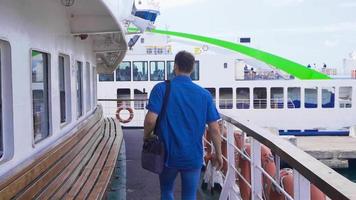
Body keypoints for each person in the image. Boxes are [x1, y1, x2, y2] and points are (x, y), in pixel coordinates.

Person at [143, 51, 223, 200]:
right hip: (192, 156)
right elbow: (214, 129)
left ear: (175, 66)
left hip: (167, 154)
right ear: (192, 69)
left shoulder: (161, 89)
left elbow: (150, 120)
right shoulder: (204, 95)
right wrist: (218, 154)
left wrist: (147, 136)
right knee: (189, 195)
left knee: (166, 191)